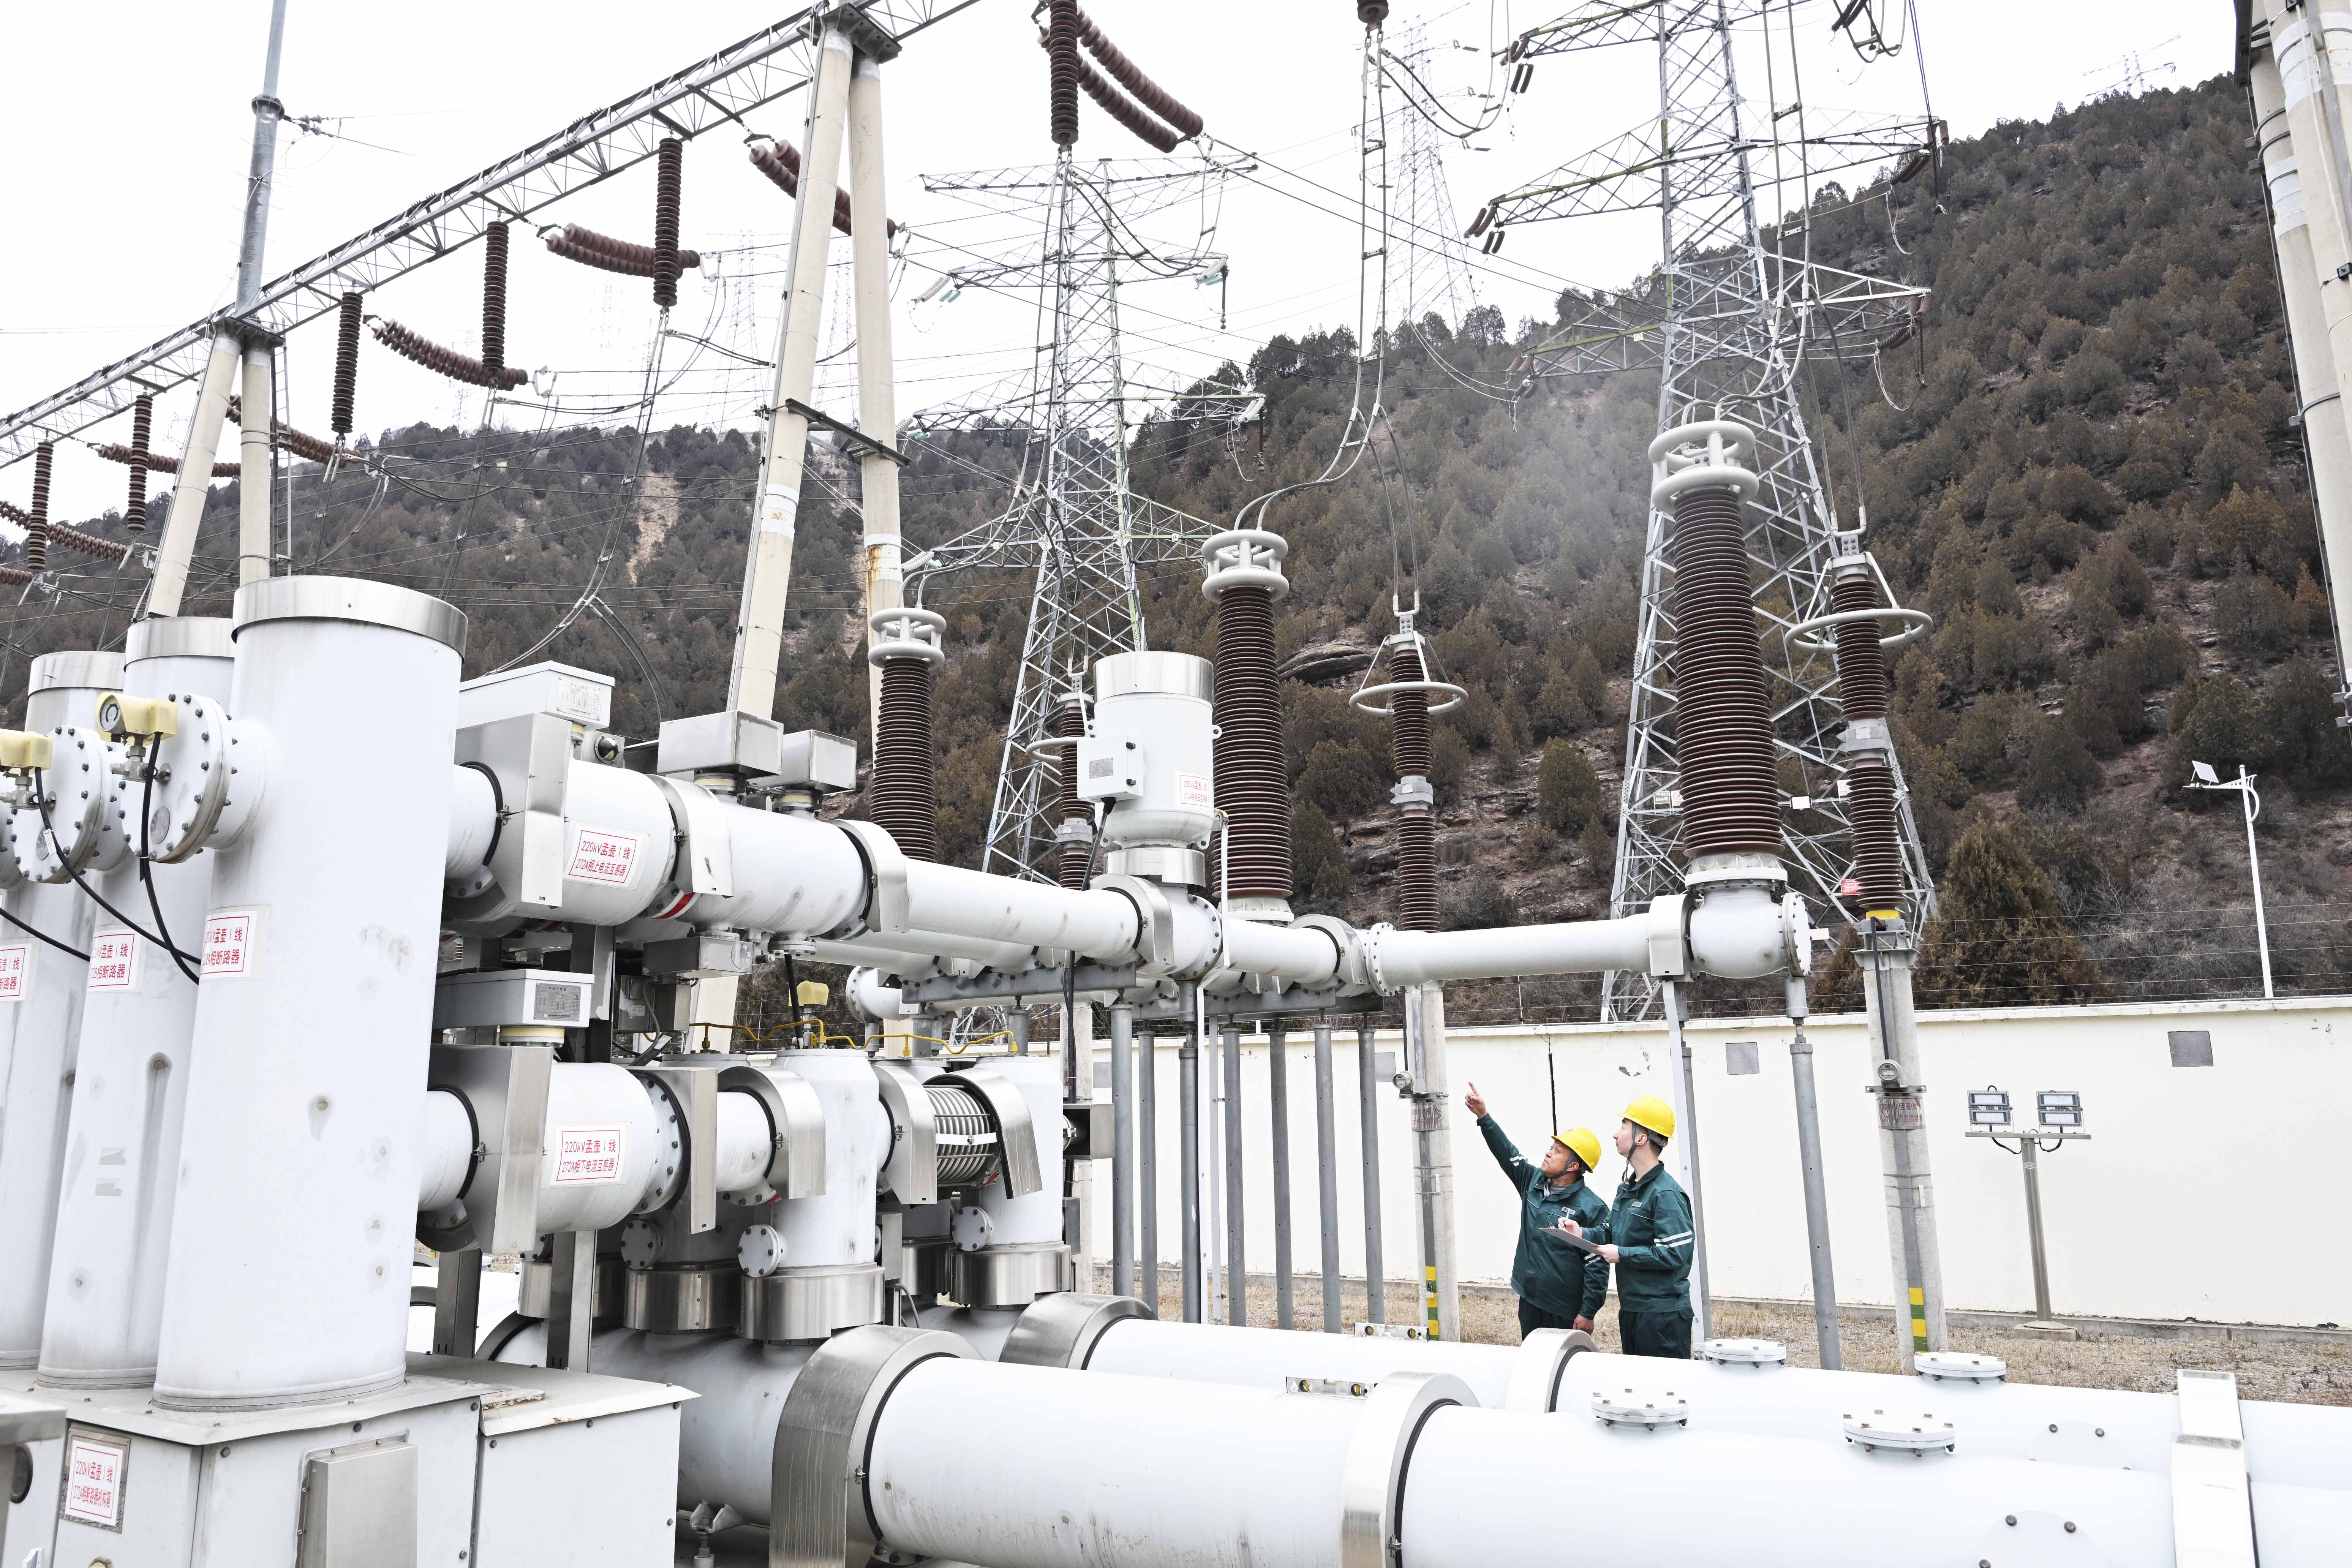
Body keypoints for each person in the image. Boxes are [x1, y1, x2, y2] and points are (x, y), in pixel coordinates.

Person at [1461, 1081, 1608, 1337]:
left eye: (1558, 1151)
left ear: (1573, 1167)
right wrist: (1484, 1117)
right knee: (1532, 1355)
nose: (1549, 1153)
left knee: (1563, 1359)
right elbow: (1507, 1153)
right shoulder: (1532, 1181)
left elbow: (1597, 1265)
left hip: (1564, 1309)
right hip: (1529, 1299)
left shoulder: (1592, 1208)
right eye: (1552, 1147)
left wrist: (1588, 1313)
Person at [1559, 1094, 1693, 1359]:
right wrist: (1581, 1232)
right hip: (1632, 1309)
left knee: (1660, 1383)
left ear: (1641, 1139)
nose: (1615, 1134)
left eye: (1623, 1127)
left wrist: (1622, 1254)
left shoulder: (1666, 1194)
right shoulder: (1628, 1189)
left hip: (1661, 1316)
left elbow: (1674, 1253)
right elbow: (1611, 1231)